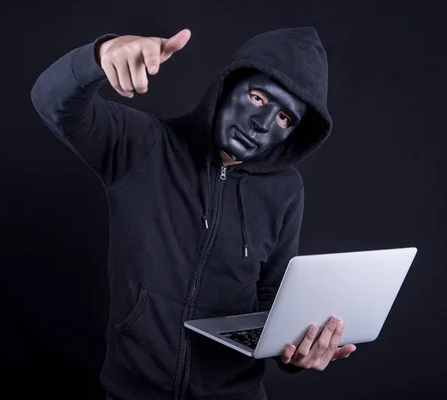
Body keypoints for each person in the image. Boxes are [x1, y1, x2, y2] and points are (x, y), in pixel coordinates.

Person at [30, 26, 357, 400]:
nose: (262, 123)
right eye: (257, 97)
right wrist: (100, 53)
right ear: (227, 86)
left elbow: (272, 302)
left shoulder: (286, 190)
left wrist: (296, 352)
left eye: (284, 118)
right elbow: (50, 99)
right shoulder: (142, 146)